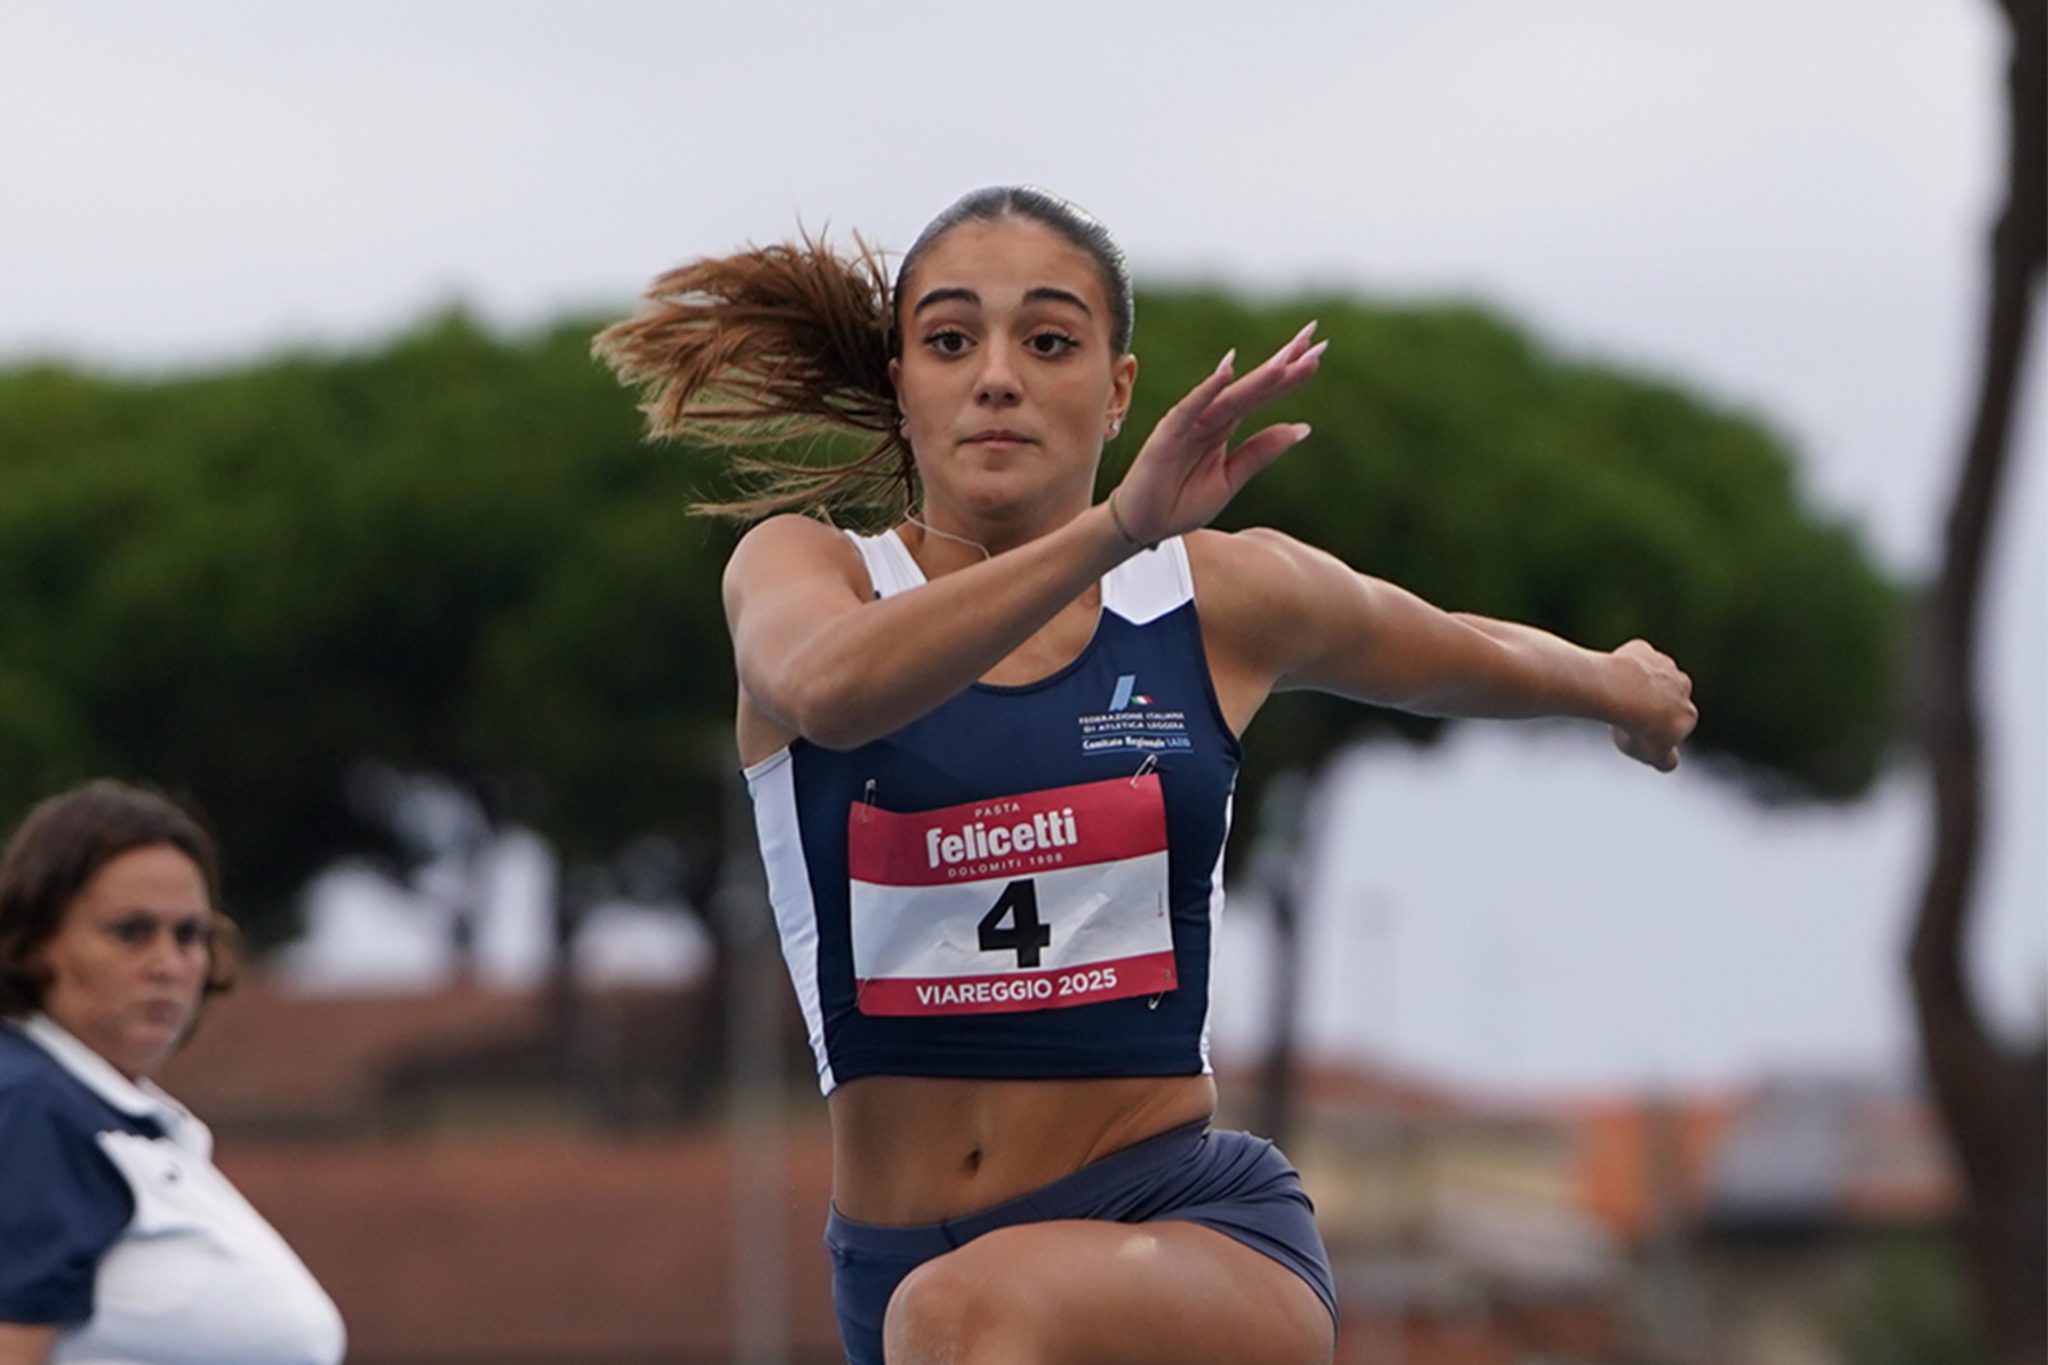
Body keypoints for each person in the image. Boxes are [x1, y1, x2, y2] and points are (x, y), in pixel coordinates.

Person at [597, 185, 1697, 1365]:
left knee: (964, 1316)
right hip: (900, 1275)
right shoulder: (806, 574)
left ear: (1118, 389)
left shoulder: (1210, 601)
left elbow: (1454, 648)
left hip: (1177, 1232)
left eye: (1048, 341)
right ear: (900, 382)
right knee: (950, 1314)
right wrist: (1114, 526)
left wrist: (1615, 683)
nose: (997, 377)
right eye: (951, 341)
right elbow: (829, 688)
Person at [0, 780, 345, 1365]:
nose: (167, 964)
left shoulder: (110, 1113)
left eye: (189, 935)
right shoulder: (31, 1108)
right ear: (35, 942)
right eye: (130, 932)